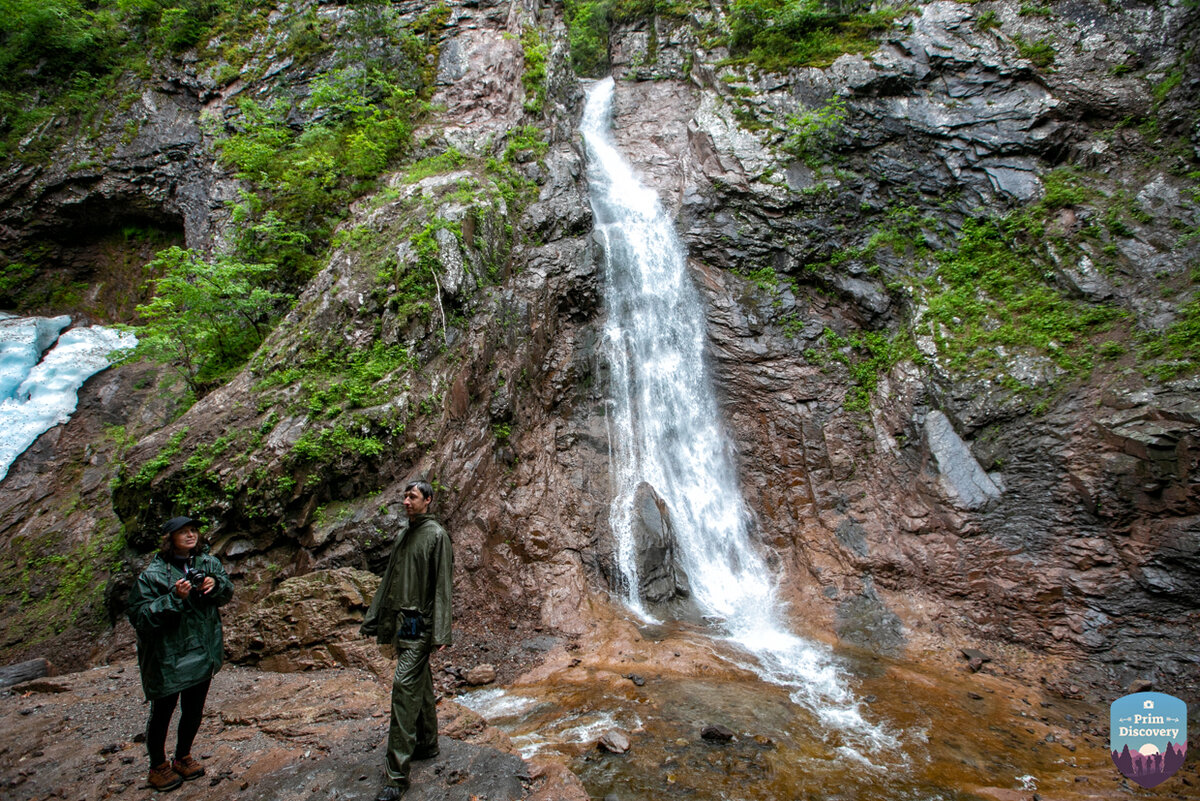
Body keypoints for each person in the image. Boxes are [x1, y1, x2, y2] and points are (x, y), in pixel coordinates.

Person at [360, 480, 454, 801]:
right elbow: (389, 581)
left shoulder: (437, 536)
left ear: (428, 500)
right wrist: (377, 618)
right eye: (404, 495)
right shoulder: (404, 535)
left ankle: (396, 777)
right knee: (419, 680)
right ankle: (427, 743)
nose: (405, 501)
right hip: (403, 621)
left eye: (412, 496)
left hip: (420, 622)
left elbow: (443, 586)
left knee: (403, 686)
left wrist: (441, 631)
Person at [127, 516, 233, 792]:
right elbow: (140, 617)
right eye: (183, 532)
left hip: (203, 648)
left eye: (193, 530)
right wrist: (174, 599)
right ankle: (158, 765)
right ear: (169, 538)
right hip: (168, 655)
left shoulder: (207, 563)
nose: (190, 535)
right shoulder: (152, 576)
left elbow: (226, 593)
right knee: (163, 711)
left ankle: (183, 755)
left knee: (194, 708)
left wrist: (215, 585)